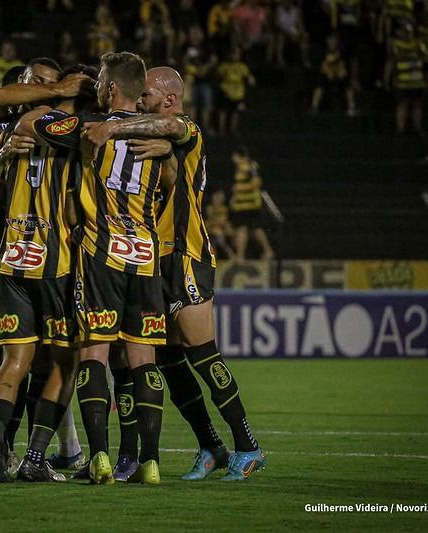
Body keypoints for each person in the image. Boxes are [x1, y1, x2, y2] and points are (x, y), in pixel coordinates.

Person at [85, 67, 266, 481]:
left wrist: (113, 128)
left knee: (202, 352)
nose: (141, 100)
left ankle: (248, 446)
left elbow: (168, 126)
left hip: (185, 253)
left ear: (168, 97)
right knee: (167, 361)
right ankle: (210, 446)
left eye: (146, 93)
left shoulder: (185, 128)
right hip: (151, 259)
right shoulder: (146, 137)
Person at [29, 52, 174, 485]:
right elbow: (169, 179)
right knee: (143, 359)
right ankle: (150, 462)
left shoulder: (89, 128)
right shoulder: (159, 137)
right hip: (145, 255)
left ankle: (100, 458)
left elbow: (28, 125)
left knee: (93, 353)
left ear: (111, 90)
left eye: (101, 84)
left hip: (102, 251)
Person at [0, 62, 94, 483]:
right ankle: (36, 457)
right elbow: (78, 206)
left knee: (13, 360)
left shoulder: (16, 128)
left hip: (11, 257)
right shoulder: (79, 133)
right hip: (55, 263)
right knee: (65, 360)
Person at [229, 145, 273, 260]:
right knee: (248, 229)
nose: (233, 158)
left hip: (251, 204)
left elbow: (257, 183)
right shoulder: (239, 168)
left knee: (250, 229)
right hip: (242, 205)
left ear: (239, 156)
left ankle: (266, 251)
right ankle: (242, 255)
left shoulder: (251, 166)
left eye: (234, 156)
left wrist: (239, 189)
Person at [310, 35, 357, 116]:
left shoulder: (341, 52)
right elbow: (323, 67)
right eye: (330, 40)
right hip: (327, 75)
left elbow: (343, 67)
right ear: (327, 41)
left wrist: (340, 73)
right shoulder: (323, 52)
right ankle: (314, 107)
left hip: (338, 75)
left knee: (348, 85)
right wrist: (329, 73)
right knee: (319, 84)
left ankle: (351, 107)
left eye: (334, 40)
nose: (332, 42)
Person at [217, 46, 256, 135]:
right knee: (223, 111)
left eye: (236, 53)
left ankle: (233, 129)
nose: (234, 55)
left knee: (235, 112)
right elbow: (218, 76)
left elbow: (248, 77)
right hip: (226, 92)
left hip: (238, 93)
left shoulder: (242, 66)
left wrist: (251, 79)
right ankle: (221, 129)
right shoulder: (224, 65)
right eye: (232, 53)